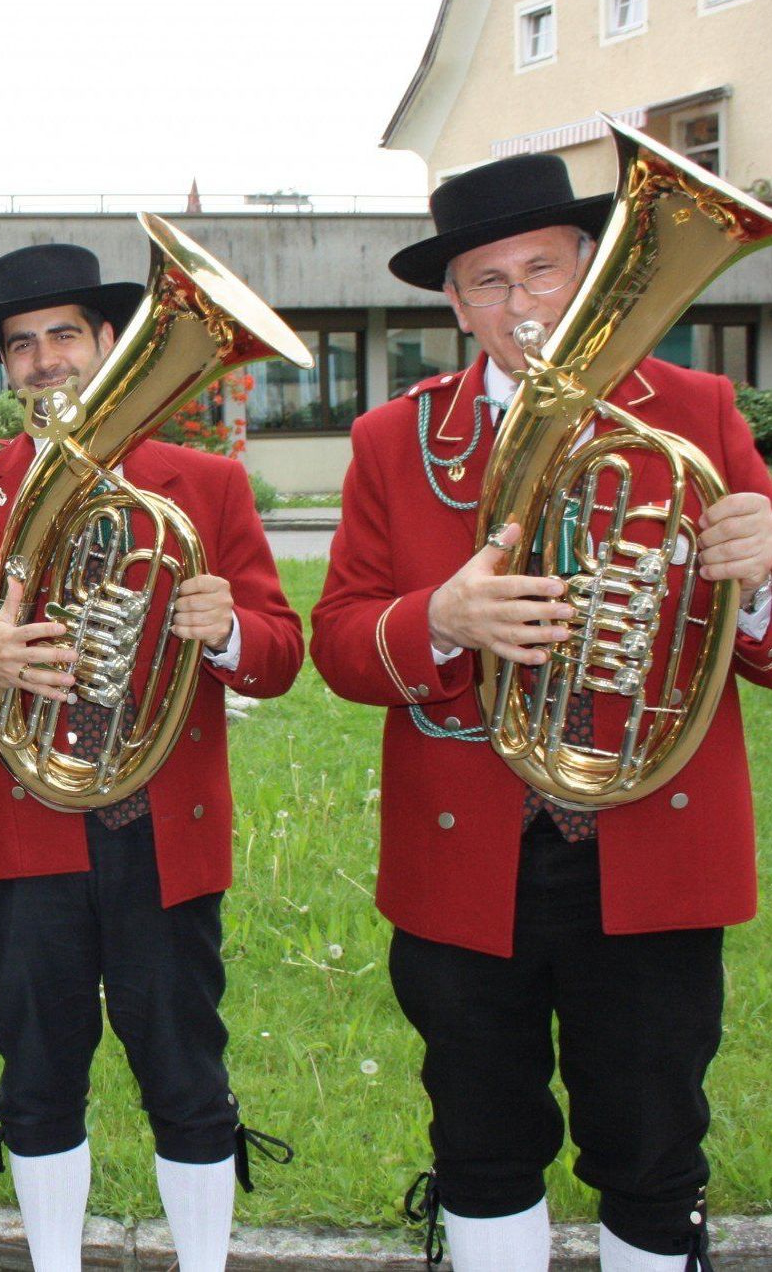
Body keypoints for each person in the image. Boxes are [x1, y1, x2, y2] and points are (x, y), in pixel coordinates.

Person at [309, 152, 772, 1272]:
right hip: (467, 853)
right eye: (486, 283)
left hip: (647, 839)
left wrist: (757, 575)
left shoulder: (695, 409)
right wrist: (442, 618)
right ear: (452, 303)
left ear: (589, 269)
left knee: (653, 1144)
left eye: (542, 270)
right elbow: (336, 644)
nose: (519, 306)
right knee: (478, 1139)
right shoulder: (392, 440)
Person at [0, 243, 303, 1272]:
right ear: (1, 368)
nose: (42, 360)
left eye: (63, 335)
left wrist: (226, 625)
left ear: (109, 344)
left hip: (162, 835)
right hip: (26, 837)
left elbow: (281, 655)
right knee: (35, 1073)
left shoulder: (203, 484)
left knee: (185, 1072)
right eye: (19, 345)